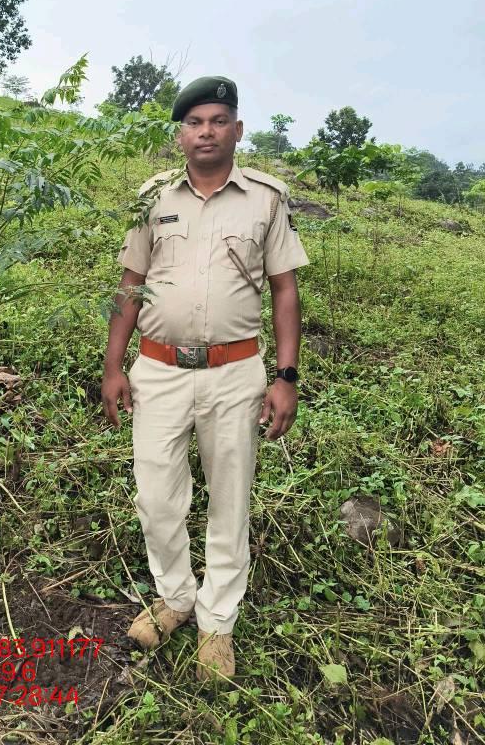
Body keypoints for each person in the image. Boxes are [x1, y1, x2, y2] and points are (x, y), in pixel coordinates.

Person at [101, 75, 310, 682]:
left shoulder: (265, 200)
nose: (206, 132)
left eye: (218, 121)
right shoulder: (153, 198)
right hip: (158, 371)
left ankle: (217, 623)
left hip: (235, 372)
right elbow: (130, 286)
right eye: (194, 123)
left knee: (229, 497)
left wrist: (285, 376)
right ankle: (175, 597)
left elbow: (285, 290)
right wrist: (113, 366)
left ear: (237, 130)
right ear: (180, 135)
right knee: (155, 496)